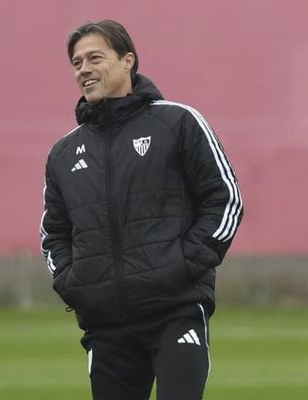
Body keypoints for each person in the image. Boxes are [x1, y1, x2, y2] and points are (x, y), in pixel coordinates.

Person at [40, 20, 243, 400]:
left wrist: (183, 264)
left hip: (174, 311)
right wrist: (75, 284)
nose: (83, 69)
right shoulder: (64, 154)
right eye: (76, 62)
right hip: (106, 324)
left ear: (127, 61)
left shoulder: (178, 122)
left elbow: (225, 198)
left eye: (95, 57)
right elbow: (54, 233)